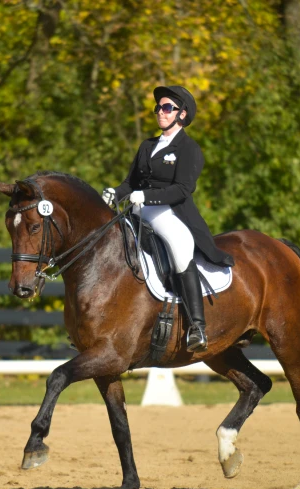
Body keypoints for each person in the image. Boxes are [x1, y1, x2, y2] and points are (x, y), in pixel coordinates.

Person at [102, 85, 234, 352]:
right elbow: (131, 182)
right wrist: (114, 193)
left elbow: (183, 189)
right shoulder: (147, 145)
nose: (160, 112)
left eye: (167, 108)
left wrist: (146, 197)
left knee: (180, 249)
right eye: (158, 108)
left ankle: (197, 326)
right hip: (138, 210)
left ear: (181, 114)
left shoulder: (189, 149)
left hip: (170, 213)